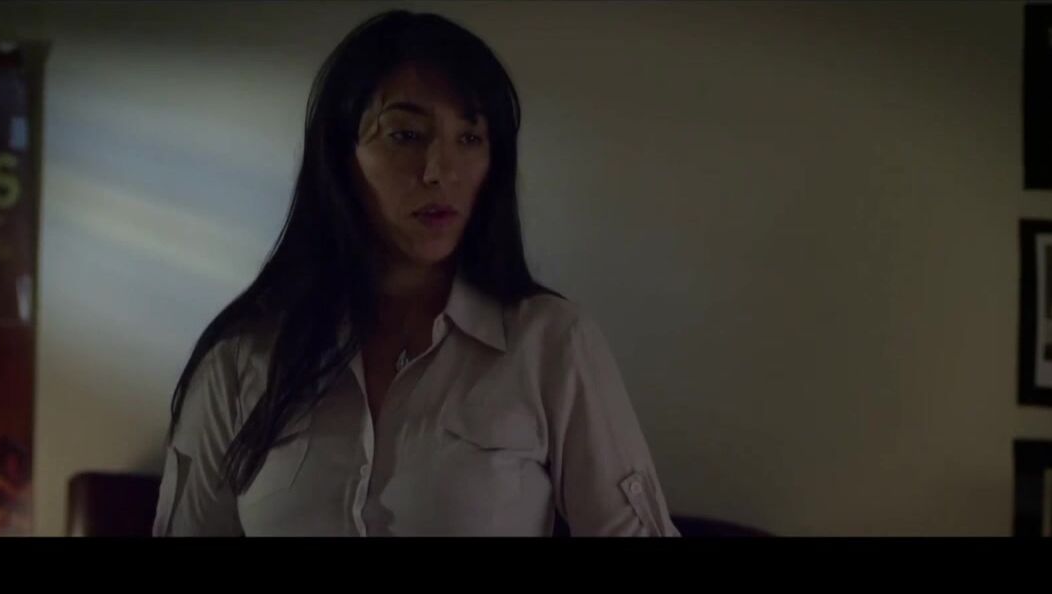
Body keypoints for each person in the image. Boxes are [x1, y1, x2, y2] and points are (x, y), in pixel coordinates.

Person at [153, 10, 678, 537]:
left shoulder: (550, 344)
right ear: (341, 157)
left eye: (469, 139)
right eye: (405, 135)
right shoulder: (244, 355)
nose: (438, 171)